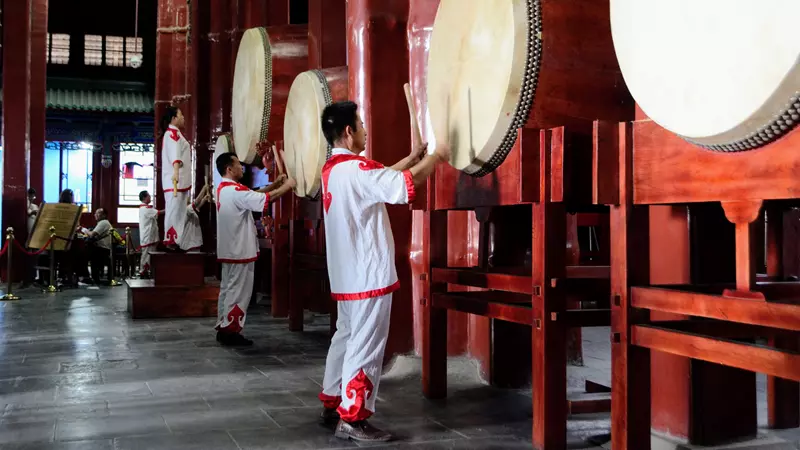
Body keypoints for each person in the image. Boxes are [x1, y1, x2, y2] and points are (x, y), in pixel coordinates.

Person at [316, 101, 450, 442]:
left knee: (346, 337)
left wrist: (413, 155)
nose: (365, 130)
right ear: (348, 132)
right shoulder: (356, 171)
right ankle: (353, 417)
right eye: (360, 125)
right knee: (365, 344)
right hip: (368, 275)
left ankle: (333, 400)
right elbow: (398, 184)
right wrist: (438, 155)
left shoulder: (334, 169)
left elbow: (380, 177)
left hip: (347, 277)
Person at [214, 151, 295, 346]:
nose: (241, 167)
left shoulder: (225, 189)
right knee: (238, 293)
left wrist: (276, 184)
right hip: (239, 250)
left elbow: (252, 196)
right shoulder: (234, 191)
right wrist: (288, 186)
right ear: (229, 168)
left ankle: (224, 326)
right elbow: (264, 200)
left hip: (230, 250)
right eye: (238, 164)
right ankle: (231, 331)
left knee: (228, 290)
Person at [159, 105, 193, 250]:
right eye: (181, 115)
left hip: (179, 180)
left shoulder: (174, 134)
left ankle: (177, 239)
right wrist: (176, 172)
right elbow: (175, 154)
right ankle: (172, 239)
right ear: (174, 118)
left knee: (179, 210)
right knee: (174, 209)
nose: (183, 118)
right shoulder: (172, 134)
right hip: (175, 181)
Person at [81, 208, 114, 283]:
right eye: (95, 213)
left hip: (103, 249)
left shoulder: (103, 222)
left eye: (98, 213)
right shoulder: (102, 223)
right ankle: (89, 276)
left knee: (82, 255)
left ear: (104, 215)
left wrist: (84, 230)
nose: (95, 214)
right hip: (100, 248)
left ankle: (87, 276)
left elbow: (92, 234)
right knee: (84, 252)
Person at [137, 190, 163, 278]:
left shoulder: (144, 208)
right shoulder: (145, 209)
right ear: (144, 197)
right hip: (148, 236)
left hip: (149, 236)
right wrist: (170, 209)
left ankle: (148, 271)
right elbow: (159, 212)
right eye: (148, 196)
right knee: (146, 255)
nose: (150, 197)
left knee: (149, 255)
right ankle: (144, 271)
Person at [182, 184, 212, 252]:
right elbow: (196, 202)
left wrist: (204, 198)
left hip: (193, 242)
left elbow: (197, 207)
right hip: (190, 243)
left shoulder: (189, 210)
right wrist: (203, 189)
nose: (188, 197)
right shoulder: (186, 210)